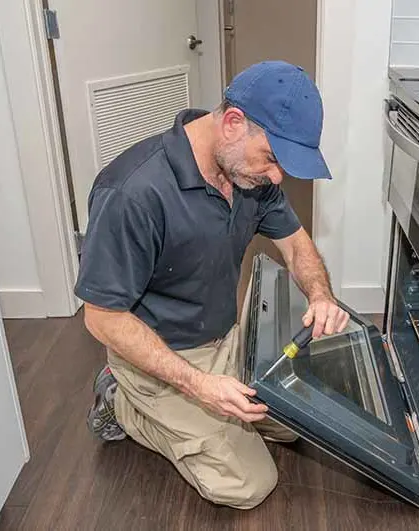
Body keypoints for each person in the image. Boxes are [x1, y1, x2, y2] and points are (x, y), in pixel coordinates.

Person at [74, 60, 350, 510]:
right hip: (161, 359)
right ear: (233, 123)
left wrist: (320, 295)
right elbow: (101, 317)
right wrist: (199, 385)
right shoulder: (132, 192)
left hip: (229, 339)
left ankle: (207, 409)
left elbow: (297, 245)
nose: (278, 177)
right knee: (248, 484)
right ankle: (122, 399)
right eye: (274, 159)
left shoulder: (249, 178)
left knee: (299, 423)